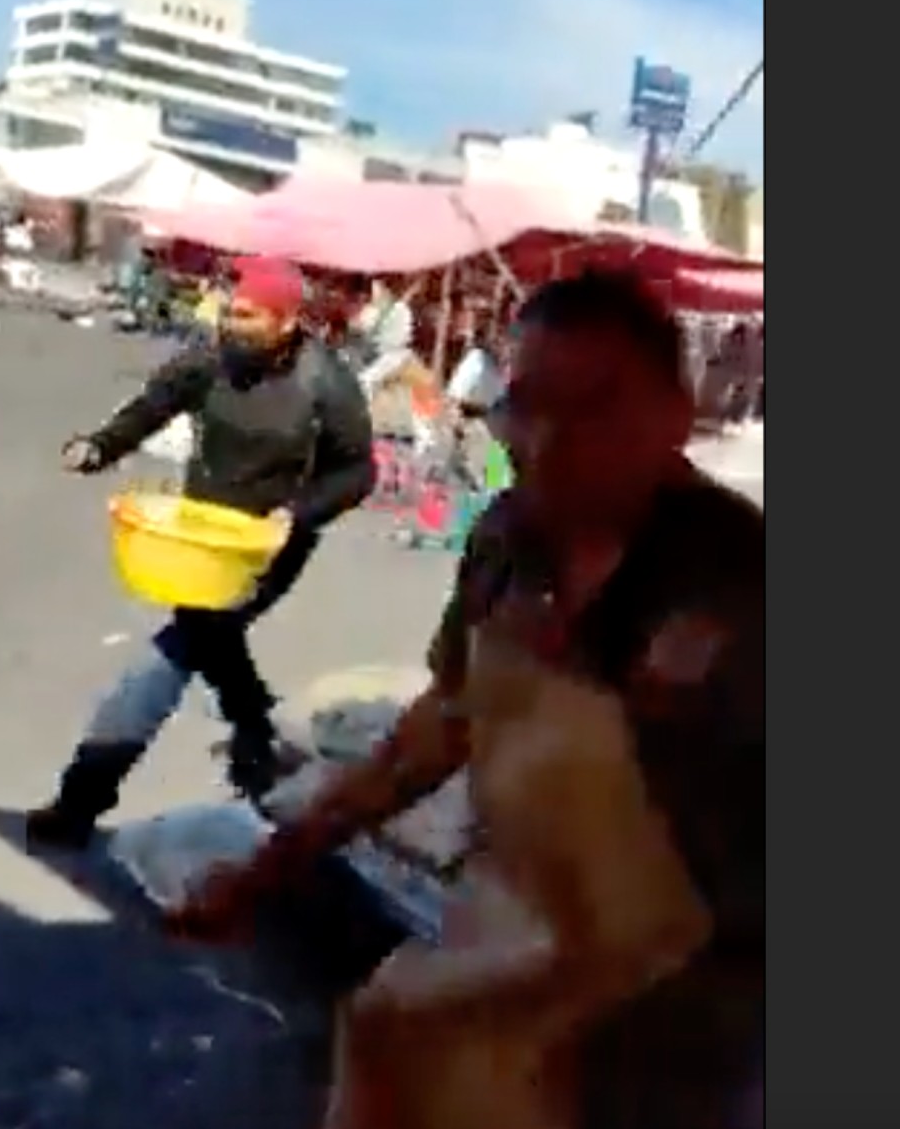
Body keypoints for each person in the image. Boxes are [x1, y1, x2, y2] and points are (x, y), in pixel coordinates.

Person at [171, 269, 763, 1129]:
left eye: (596, 405)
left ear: (675, 413)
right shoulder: (503, 543)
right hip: (511, 947)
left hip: (686, 1012)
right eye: (530, 404)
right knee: (388, 1036)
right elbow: (436, 732)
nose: (552, 439)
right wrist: (264, 871)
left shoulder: (741, 575)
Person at [27, 254, 378, 849]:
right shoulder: (208, 359)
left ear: (286, 323)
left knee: (167, 659)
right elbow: (150, 407)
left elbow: (358, 472)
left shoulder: (327, 382)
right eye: (229, 312)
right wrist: (98, 447)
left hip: (263, 549)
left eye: (247, 316)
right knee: (211, 641)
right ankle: (258, 736)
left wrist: (297, 515)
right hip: (196, 536)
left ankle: (79, 800)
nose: (232, 324)